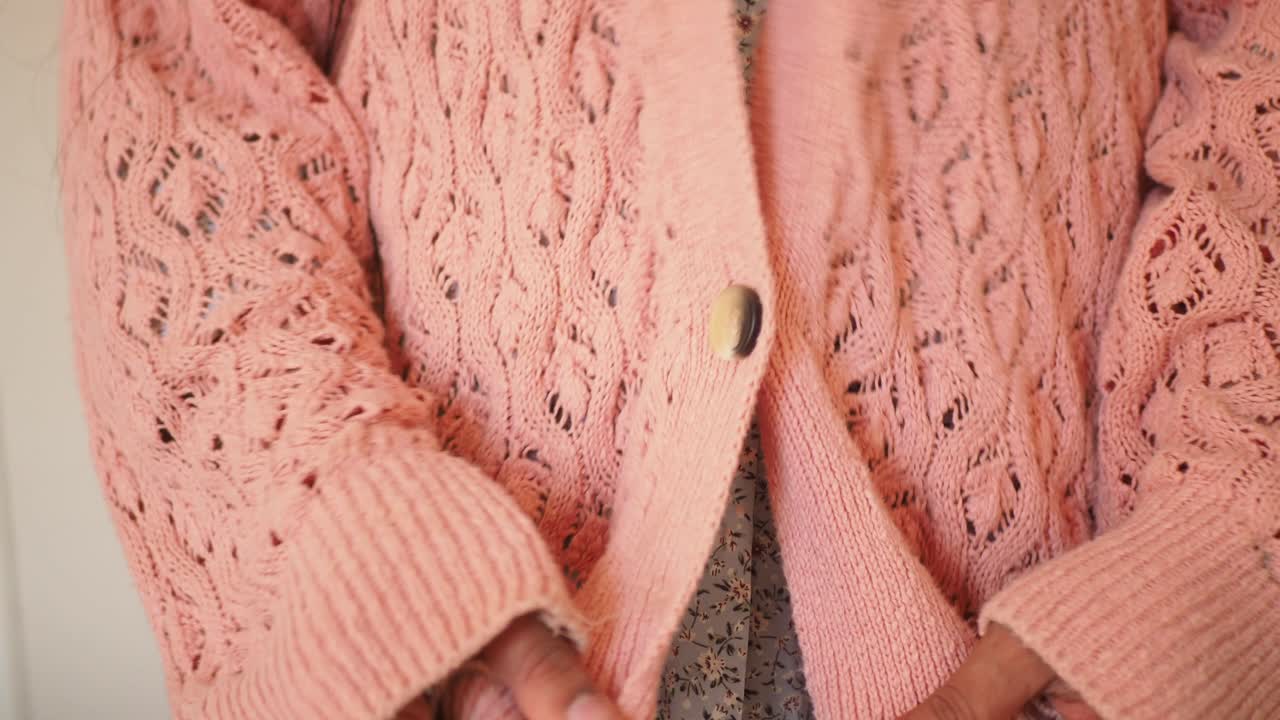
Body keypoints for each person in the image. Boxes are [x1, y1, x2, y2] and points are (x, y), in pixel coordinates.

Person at [56, 0, 1280, 717]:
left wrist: (1205, 563)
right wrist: (360, 554)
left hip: (1022, 631)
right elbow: (179, 76)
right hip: (484, 630)